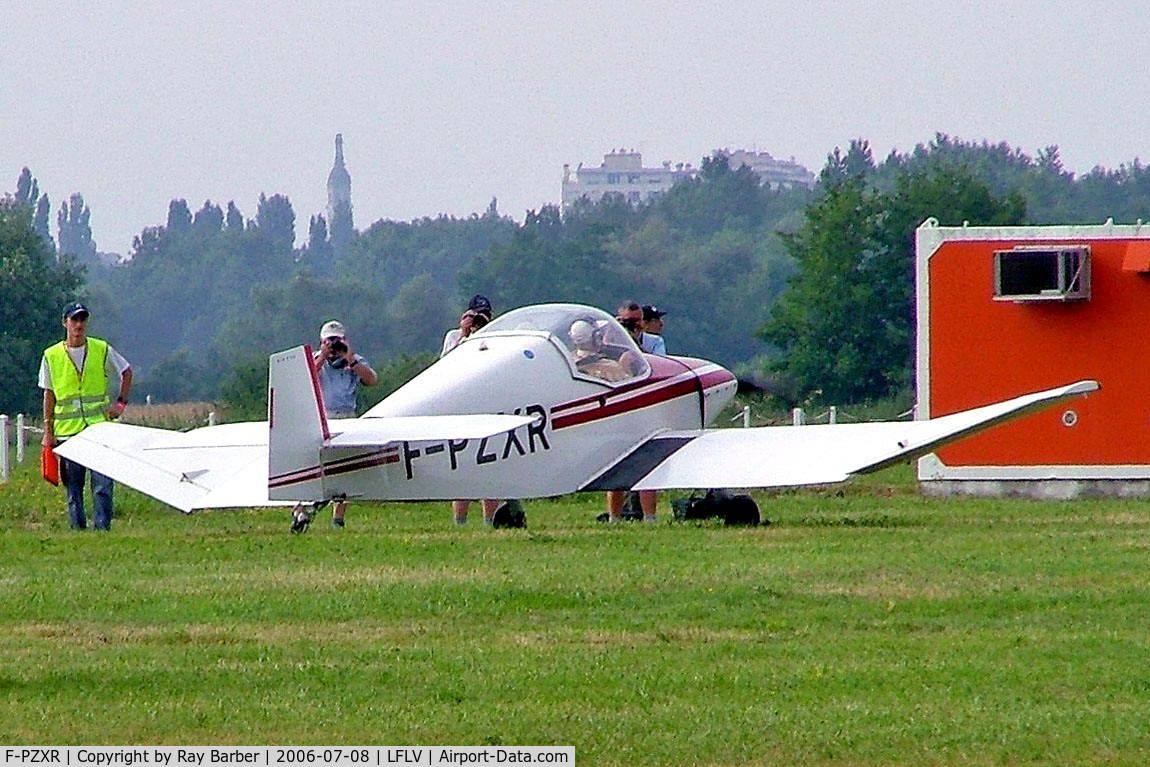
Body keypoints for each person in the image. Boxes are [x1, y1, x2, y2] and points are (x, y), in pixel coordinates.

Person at [39, 301, 133, 531]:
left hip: (99, 428)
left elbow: (126, 372)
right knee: (73, 487)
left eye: (82, 320)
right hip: (68, 431)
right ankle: (77, 528)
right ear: (65, 323)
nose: (78, 324)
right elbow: (49, 395)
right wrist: (48, 431)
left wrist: (120, 403)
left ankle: (102, 528)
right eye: (74, 320)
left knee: (102, 484)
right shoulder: (51, 356)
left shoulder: (101, 349)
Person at [312, 319, 378, 527]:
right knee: (316, 465)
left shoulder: (354, 360)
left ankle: (338, 516)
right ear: (321, 342)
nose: (333, 347)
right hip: (323, 416)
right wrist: (323, 356)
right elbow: (308, 377)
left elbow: (372, 380)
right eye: (329, 342)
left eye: (337, 341)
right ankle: (303, 508)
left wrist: (350, 359)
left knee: (344, 465)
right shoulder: (316, 361)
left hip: (347, 415)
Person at [442, 295, 501, 525]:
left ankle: (491, 519)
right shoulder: (454, 337)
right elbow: (444, 367)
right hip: (461, 408)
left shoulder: (497, 337)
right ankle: (460, 521)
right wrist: (465, 335)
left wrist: (484, 333)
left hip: (487, 406)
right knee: (462, 466)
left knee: (491, 464)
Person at [606, 301, 658, 523]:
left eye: (636, 321)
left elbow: (657, 367)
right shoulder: (607, 345)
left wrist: (635, 347)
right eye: (626, 322)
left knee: (647, 466)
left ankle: (650, 517)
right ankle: (614, 517)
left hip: (643, 409)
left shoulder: (654, 344)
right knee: (614, 465)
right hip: (618, 410)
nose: (633, 326)